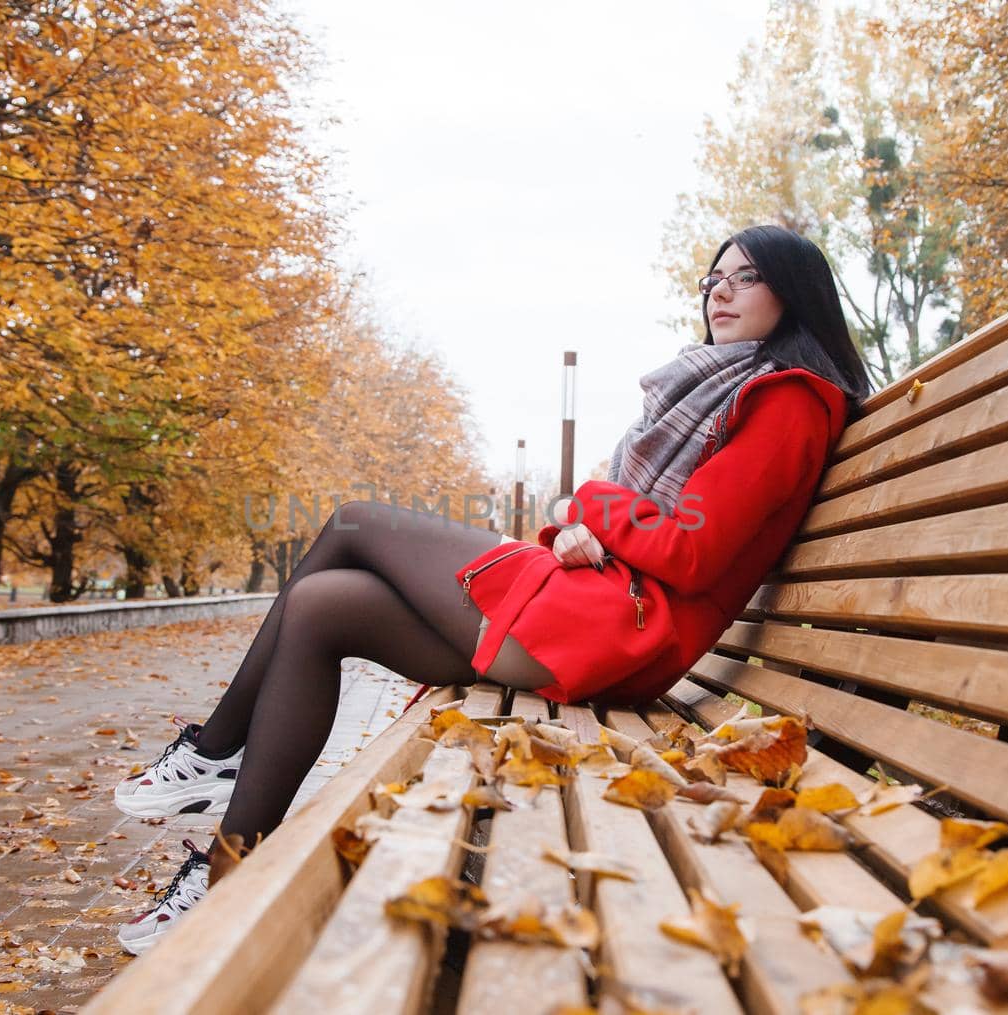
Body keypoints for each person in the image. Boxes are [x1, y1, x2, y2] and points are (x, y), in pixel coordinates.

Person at [110, 224, 874, 955]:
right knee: (321, 605)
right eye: (714, 277)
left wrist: (590, 507)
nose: (721, 291)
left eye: (748, 276)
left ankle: (212, 754)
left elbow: (693, 547)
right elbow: (667, 529)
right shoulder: (731, 387)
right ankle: (225, 867)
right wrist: (595, 526)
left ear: (795, 293)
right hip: (603, 607)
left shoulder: (792, 399)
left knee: (350, 524)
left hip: (619, 629)